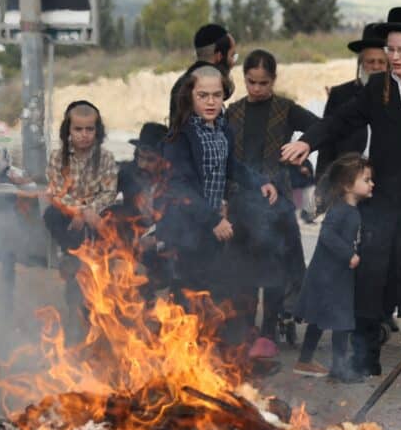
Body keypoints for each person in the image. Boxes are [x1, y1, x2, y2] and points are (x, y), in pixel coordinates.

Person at [282, 7, 401, 379]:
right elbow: (339, 121)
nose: (394, 57)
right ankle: (367, 353)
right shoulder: (377, 89)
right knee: (372, 275)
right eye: (391, 50)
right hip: (381, 199)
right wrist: (307, 141)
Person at [159, 66, 276, 324]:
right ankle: (180, 354)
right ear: (190, 96)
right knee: (187, 295)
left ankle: (204, 354)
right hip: (189, 227)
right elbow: (180, 188)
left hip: (212, 227)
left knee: (210, 292)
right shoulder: (179, 137)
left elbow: (230, 165)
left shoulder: (222, 129)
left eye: (217, 95)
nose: (211, 101)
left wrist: (259, 182)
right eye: (203, 95)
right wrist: (213, 220)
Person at [226, 49, 319, 348]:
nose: (257, 89)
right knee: (244, 270)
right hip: (241, 201)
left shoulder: (285, 109)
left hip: (275, 202)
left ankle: (268, 331)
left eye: (263, 83)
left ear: (274, 80)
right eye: (251, 82)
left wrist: (300, 147)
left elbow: (319, 125)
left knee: (274, 267)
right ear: (244, 79)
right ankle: (246, 329)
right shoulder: (234, 111)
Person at [293, 153, 374, 380]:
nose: (371, 184)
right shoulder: (340, 210)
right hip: (327, 277)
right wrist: (349, 254)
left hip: (335, 277)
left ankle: (306, 361)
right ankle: (336, 367)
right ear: (348, 185)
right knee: (341, 321)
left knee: (327, 320)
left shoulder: (351, 210)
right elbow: (327, 234)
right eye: (366, 180)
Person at [43, 100, 118, 336]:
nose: (84, 135)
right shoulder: (58, 157)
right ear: (69, 131)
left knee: (111, 218)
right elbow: (56, 192)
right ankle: (70, 255)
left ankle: (89, 268)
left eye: (90, 129)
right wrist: (76, 211)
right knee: (51, 213)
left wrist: (88, 212)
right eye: (78, 129)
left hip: (95, 216)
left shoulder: (105, 158)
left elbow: (109, 192)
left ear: (97, 131)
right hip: (68, 218)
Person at [319, 23, 388, 181]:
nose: (376, 67)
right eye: (370, 62)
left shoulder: (398, 95)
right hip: (346, 183)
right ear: (361, 63)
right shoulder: (340, 95)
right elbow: (327, 143)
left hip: (386, 183)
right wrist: (321, 184)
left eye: (381, 62)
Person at [113, 122, 169, 295]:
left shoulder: (175, 183)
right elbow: (104, 195)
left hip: (163, 247)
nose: (143, 165)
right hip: (131, 241)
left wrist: (156, 239)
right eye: (140, 157)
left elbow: (181, 222)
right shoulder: (128, 173)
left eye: (150, 160)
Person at [169, 24, 237, 122]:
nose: (233, 63)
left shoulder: (182, 82)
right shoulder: (209, 86)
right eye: (232, 56)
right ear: (219, 56)